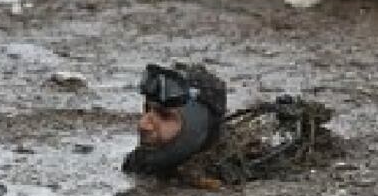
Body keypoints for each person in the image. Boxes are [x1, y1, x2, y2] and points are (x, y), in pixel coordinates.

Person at [121, 62, 337, 187]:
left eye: (164, 116)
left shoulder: (232, 174)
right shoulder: (138, 163)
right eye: (146, 110)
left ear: (199, 127)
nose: (144, 125)